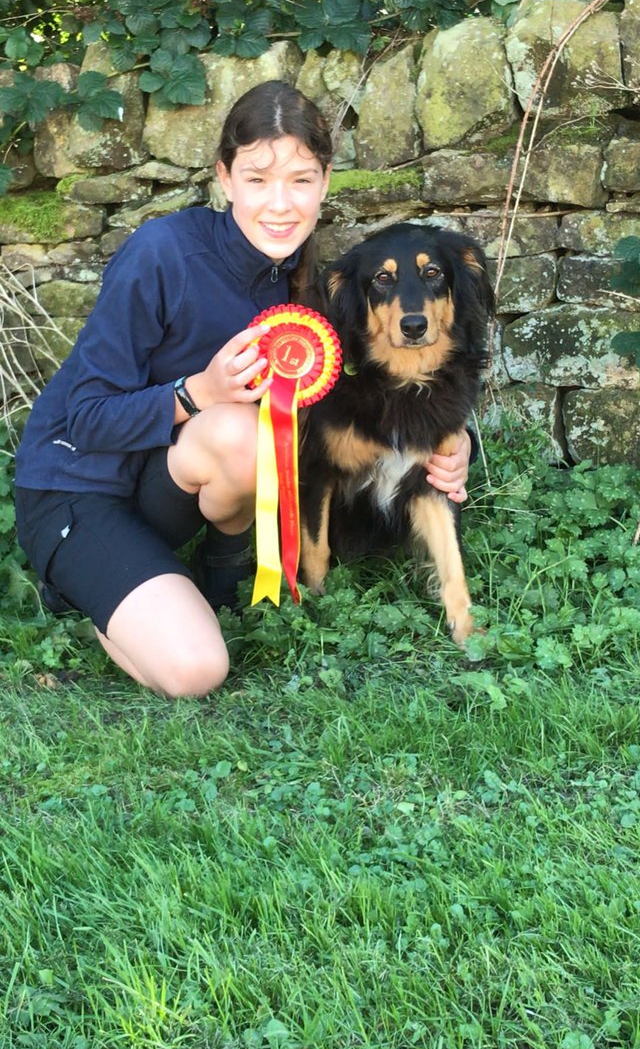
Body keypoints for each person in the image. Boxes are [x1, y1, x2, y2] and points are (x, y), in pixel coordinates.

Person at [14, 80, 473, 698]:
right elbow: (86, 419)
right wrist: (195, 391)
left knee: (240, 431)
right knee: (197, 670)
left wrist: (456, 438)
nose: (280, 204)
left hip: (169, 487)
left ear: (326, 180)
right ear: (224, 178)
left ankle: (216, 580)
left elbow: (370, 388)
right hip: (79, 489)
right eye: (257, 180)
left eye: (300, 180)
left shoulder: (303, 278)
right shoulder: (162, 254)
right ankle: (83, 581)